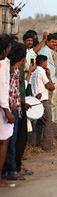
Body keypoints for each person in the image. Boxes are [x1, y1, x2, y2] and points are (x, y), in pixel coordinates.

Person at [2, 42, 27, 181]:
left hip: (12, 108)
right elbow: (10, 90)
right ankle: (10, 170)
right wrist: (10, 107)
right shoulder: (13, 70)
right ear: (22, 59)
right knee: (10, 141)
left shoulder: (10, 68)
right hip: (11, 109)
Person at [30, 54, 55, 151]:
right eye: (46, 62)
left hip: (36, 99)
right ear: (42, 63)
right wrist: (49, 76)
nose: (46, 64)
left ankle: (33, 143)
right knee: (47, 122)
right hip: (43, 100)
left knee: (40, 123)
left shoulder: (35, 72)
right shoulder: (41, 72)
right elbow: (50, 86)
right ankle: (48, 146)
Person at [0, 34, 15, 187]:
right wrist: (7, 110)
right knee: (4, 141)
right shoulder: (3, 64)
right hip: (2, 109)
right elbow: (2, 89)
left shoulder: (4, 62)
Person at [38, 33, 57, 122]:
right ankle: (51, 122)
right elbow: (44, 67)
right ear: (47, 42)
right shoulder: (44, 52)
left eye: (55, 42)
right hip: (49, 80)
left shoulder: (51, 51)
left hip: (53, 79)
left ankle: (55, 121)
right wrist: (49, 81)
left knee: (54, 102)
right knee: (50, 102)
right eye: (52, 42)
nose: (54, 44)